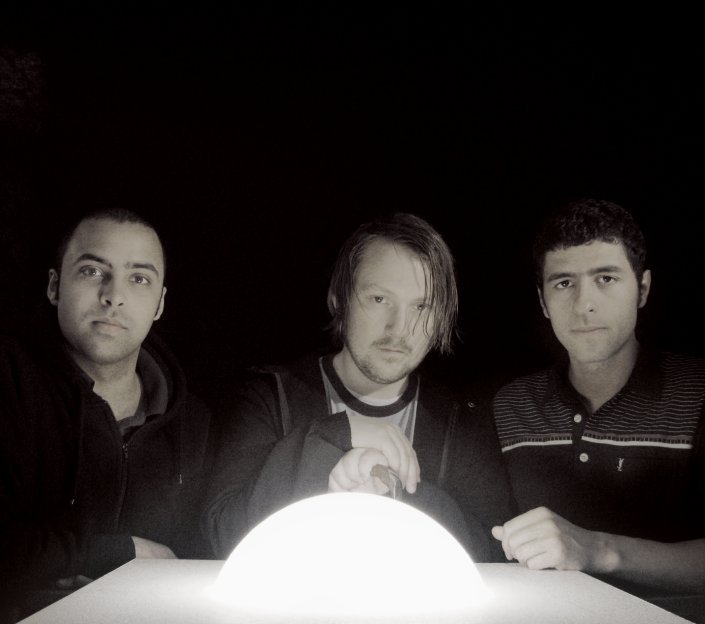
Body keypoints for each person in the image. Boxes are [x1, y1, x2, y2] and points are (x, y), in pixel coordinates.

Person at [205, 212, 514, 562]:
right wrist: (334, 435)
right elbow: (221, 533)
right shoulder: (268, 396)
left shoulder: (460, 422)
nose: (399, 327)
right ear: (338, 299)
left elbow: (493, 550)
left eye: (421, 306)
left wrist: (390, 493)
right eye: (379, 299)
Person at [491, 199, 705, 617]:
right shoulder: (512, 406)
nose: (584, 304)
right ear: (542, 301)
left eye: (605, 278)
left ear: (643, 289)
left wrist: (598, 549)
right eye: (563, 283)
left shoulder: (697, 391)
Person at [0, 208, 212, 621]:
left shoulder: (192, 423)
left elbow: (195, 565)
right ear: (54, 286)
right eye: (93, 271)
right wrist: (119, 553)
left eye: (139, 279)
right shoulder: (9, 382)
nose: (114, 296)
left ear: (159, 304)